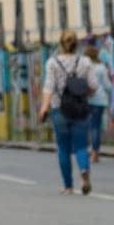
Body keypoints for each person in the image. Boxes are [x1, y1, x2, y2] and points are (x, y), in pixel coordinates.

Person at [39, 32, 96, 195]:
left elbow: (48, 87)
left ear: (60, 43)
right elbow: (93, 85)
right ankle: (84, 170)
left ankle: (68, 186)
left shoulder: (52, 63)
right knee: (81, 146)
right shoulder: (85, 61)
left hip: (59, 110)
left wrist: (44, 108)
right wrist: (86, 94)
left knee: (63, 148)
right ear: (77, 44)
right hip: (81, 109)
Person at [85, 46, 109, 163]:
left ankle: (90, 151)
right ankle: (95, 153)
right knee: (96, 127)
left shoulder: (85, 68)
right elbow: (107, 86)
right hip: (100, 100)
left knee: (90, 126)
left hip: (87, 100)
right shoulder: (101, 67)